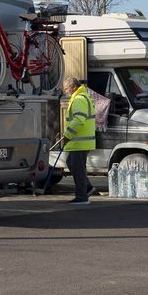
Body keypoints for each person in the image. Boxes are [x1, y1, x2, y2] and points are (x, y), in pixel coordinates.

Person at [59, 75, 96, 204]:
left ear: (73, 87)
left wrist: (67, 135)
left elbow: (79, 120)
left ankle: (82, 196)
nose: (65, 91)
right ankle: (87, 188)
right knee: (72, 164)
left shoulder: (79, 99)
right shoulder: (83, 96)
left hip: (79, 141)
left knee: (77, 168)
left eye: (66, 88)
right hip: (83, 141)